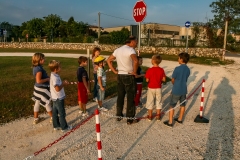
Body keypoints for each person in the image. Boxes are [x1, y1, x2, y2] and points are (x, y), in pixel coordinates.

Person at [107, 36, 139, 125]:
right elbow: (136, 61)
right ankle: (130, 118)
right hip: (129, 75)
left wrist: (114, 71)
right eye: (136, 42)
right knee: (130, 97)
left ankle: (119, 115)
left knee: (120, 96)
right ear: (131, 42)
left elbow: (109, 60)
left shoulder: (118, 50)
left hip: (120, 75)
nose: (136, 43)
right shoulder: (131, 50)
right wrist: (135, 72)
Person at [163, 52, 190, 127]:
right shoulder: (188, 69)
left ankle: (170, 122)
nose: (178, 59)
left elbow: (173, 79)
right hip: (184, 89)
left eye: (178, 58)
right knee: (182, 104)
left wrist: (174, 84)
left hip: (176, 90)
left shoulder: (177, 69)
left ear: (181, 59)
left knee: (172, 105)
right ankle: (180, 119)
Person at [48, 60, 72, 132]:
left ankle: (56, 125)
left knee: (55, 112)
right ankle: (64, 127)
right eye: (60, 67)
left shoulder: (53, 75)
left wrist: (62, 82)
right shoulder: (55, 77)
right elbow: (57, 88)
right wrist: (63, 84)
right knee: (61, 113)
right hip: (58, 97)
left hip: (54, 97)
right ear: (56, 69)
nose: (61, 68)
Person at [32, 53, 52, 124]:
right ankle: (53, 117)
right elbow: (38, 80)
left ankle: (36, 118)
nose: (45, 60)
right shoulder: (39, 69)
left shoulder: (36, 67)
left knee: (37, 102)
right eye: (43, 59)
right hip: (42, 88)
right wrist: (47, 79)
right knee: (47, 102)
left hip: (38, 88)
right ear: (39, 60)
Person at [145, 54, 166, 121]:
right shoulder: (161, 70)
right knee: (158, 101)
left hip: (151, 87)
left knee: (150, 101)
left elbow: (147, 80)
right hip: (158, 87)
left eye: (151, 59)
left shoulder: (149, 70)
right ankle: (158, 116)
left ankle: (150, 116)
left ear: (153, 61)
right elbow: (164, 79)